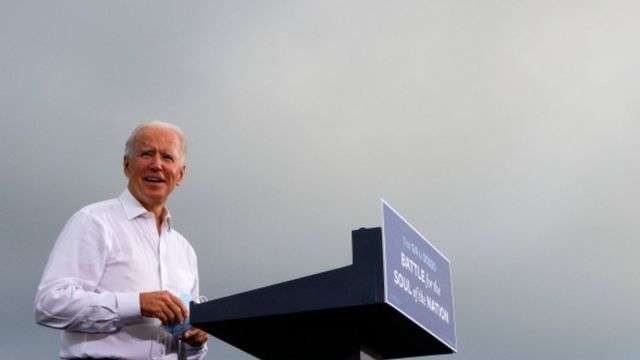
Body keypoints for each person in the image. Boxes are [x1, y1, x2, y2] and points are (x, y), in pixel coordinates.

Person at [35, 121, 208, 359]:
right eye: (147, 154)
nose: (157, 165)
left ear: (180, 174)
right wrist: (136, 304)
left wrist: (195, 342)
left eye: (167, 157)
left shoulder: (185, 251)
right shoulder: (94, 222)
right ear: (127, 165)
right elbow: (50, 305)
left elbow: (188, 350)